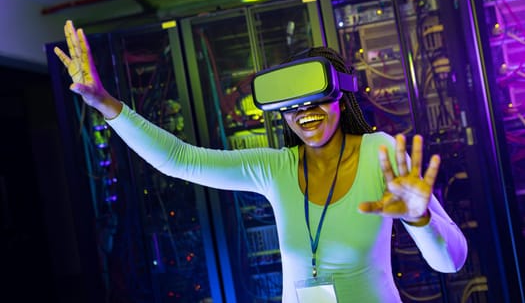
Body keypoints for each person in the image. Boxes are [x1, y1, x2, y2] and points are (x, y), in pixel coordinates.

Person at [54, 20, 467, 303]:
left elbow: (451, 263)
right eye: (292, 105)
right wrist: (104, 103)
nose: (305, 112)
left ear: (340, 94)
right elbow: (179, 160)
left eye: (315, 98)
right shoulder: (276, 168)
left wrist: (420, 218)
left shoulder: (382, 154)